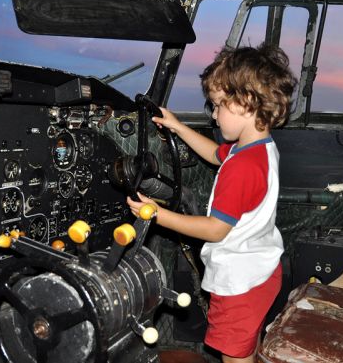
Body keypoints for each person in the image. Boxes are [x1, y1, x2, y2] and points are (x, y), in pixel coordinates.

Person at [127, 44, 296, 363]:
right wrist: (177, 126)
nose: (214, 114)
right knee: (247, 346)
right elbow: (216, 154)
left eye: (219, 105)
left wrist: (157, 214)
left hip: (240, 284)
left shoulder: (243, 167)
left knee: (235, 357)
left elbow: (216, 229)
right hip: (259, 272)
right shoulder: (257, 149)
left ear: (246, 103)